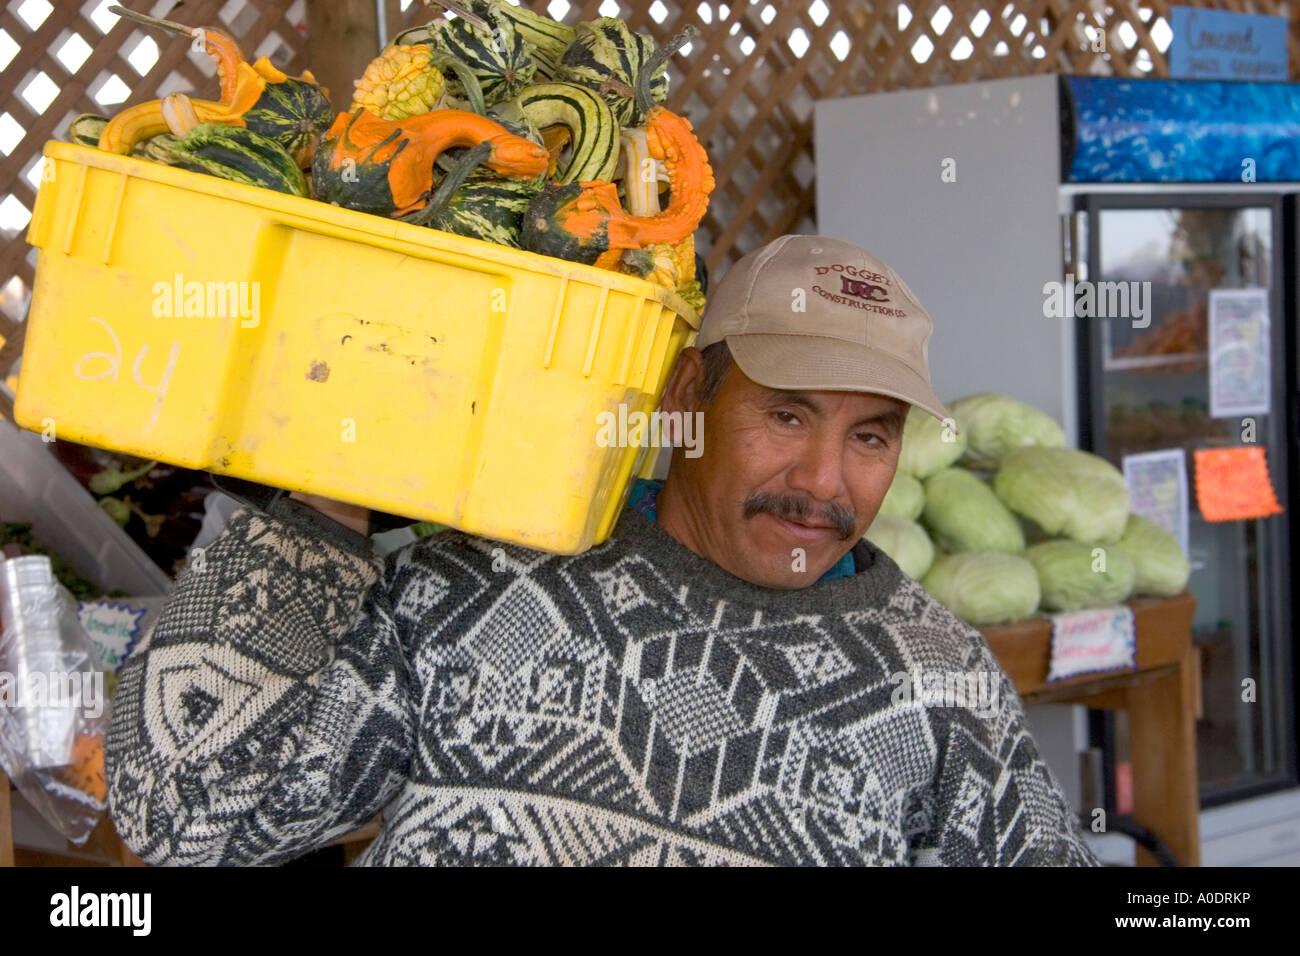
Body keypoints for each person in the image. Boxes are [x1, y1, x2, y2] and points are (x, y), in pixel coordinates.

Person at [105, 235, 1100, 866]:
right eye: (785, 414)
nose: (824, 479)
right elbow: (188, 818)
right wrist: (319, 509)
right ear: (685, 399)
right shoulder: (482, 583)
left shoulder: (933, 679)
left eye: (870, 435)